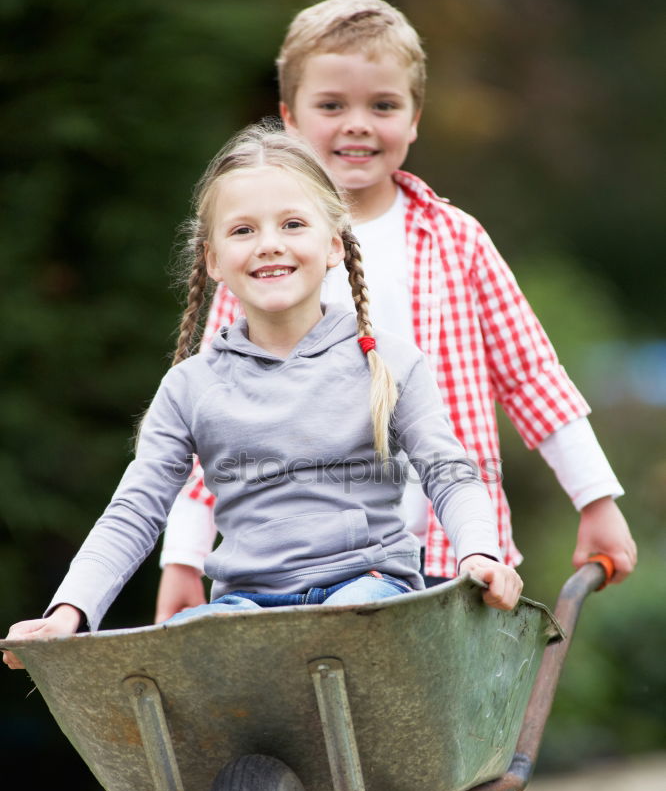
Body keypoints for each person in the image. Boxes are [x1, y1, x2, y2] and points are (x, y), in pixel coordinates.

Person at [151, 0, 636, 791]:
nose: (357, 126)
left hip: (446, 579)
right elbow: (215, 433)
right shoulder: (266, 248)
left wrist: (598, 498)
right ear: (289, 116)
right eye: (332, 105)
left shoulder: (454, 242)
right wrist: (184, 555)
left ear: (414, 117)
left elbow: (533, 374)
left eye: (382, 104)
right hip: (295, 581)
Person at [3, 122, 521, 652]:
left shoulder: (388, 362)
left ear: (334, 245)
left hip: (370, 593)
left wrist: (478, 553)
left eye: (293, 224)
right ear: (213, 259)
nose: (269, 245)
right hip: (246, 604)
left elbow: (451, 473)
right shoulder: (191, 386)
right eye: (243, 230)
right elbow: (136, 507)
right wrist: (68, 611)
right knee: (185, 648)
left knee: (341, 633)